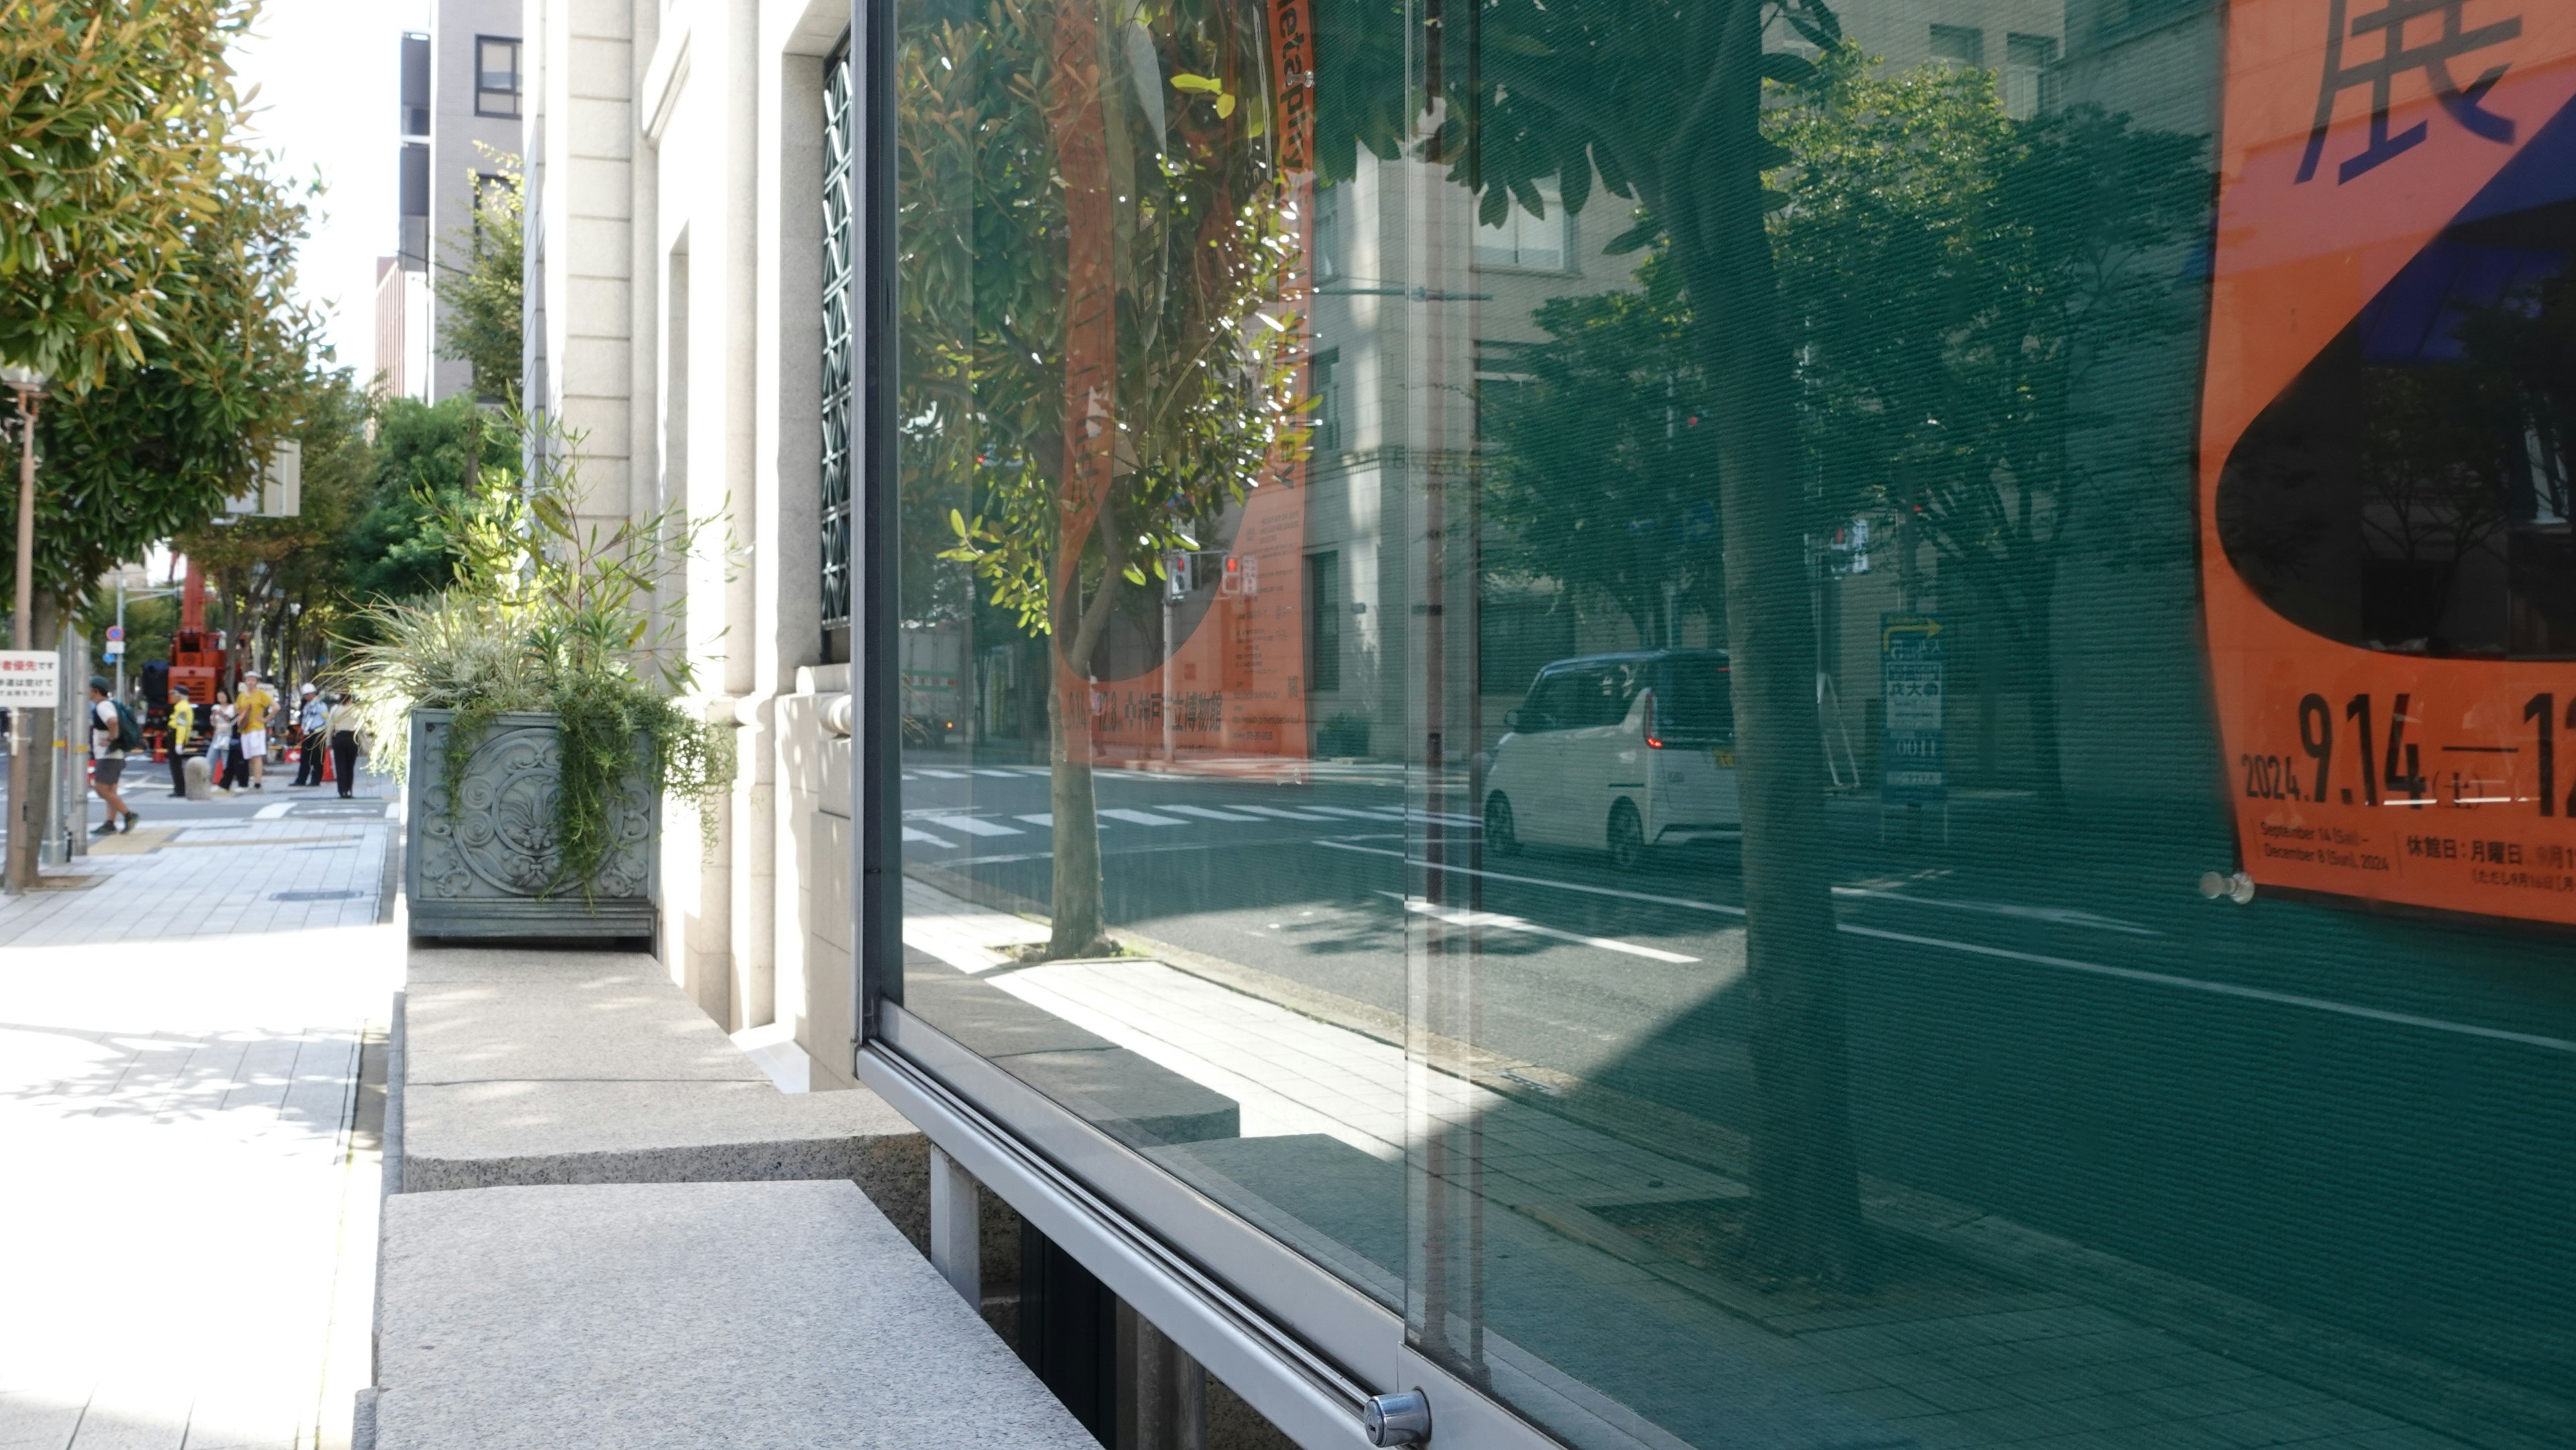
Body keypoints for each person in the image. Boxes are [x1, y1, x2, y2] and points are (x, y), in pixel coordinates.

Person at [87, 678, 137, 834]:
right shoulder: (107, 705)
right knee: (111, 791)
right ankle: (110, 823)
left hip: (108, 756)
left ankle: (129, 815)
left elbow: (113, 721)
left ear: (95, 691)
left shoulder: (102, 706)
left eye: (89, 689)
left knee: (101, 789)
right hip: (114, 755)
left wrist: (111, 739)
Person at [236, 671, 274, 791]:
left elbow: (276, 707)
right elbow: (238, 710)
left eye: (253, 680)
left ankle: (258, 784)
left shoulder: (261, 694)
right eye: (248, 680)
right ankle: (255, 781)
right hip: (245, 729)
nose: (251, 682)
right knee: (250, 757)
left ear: (256, 682)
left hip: (256, 729)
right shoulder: (242, 695)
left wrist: (265, 719)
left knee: (256, 756)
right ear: (245, 681)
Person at [327, 691, 363, 798]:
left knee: (340, 765)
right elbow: (361, 726)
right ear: (350, 698)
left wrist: (328, 742)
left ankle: (342, 790)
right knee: (350, 766)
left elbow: (329, 727)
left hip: (339, 737)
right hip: (352, 738)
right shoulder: (356, 709)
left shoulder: (335, 709)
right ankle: (349, 790)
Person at [208, 690, 245, 794]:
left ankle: (225, 782)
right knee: (210, 758)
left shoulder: (232, 707)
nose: (221, 699)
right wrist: (215, 716)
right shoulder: (215, 707)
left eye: (223, 696)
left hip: (228, 734)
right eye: (219, 697)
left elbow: (233, 721)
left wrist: (222, 714)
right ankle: (208, 782)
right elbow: (213, 723)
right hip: (217, 734)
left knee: (226, 760)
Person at [293, 682, 329, 787]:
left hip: (318, 734)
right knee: (304, 759)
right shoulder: (306, 706)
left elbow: (327, 719)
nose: (307, 697)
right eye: (305, 695)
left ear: (313, 694)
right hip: (307, 734)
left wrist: (326, 733)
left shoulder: (321, 706)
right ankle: (301, 780)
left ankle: (315, 780)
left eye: (308, 694)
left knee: (317, 759)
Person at [166, 685, 195, 796]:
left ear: (180, 696)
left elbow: (182, 726)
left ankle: (180, 790)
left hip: (176, 736)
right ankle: (179, 788)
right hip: (174, 735)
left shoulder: (183, 708)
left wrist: (179, 743)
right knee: (175, 764)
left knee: (175, 764)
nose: (172, 696)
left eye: (174, 694)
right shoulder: (179, 706)